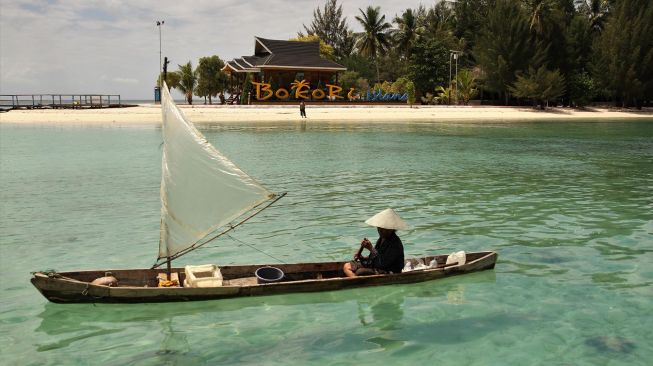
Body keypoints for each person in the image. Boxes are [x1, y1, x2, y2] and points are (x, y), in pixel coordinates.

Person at [343, 208, 407, 277]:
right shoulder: (382, 238)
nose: (380, 230)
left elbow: (383, 263)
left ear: (391, 229)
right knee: (347, 266)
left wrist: (371, 248)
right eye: (379, 228)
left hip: (389, 270)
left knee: (360, 272)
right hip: (377, 266)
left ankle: (356, 283)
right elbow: (377, 256)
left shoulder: (395, 243)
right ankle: (356, 282)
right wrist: (364, 258)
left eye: (383, 229)